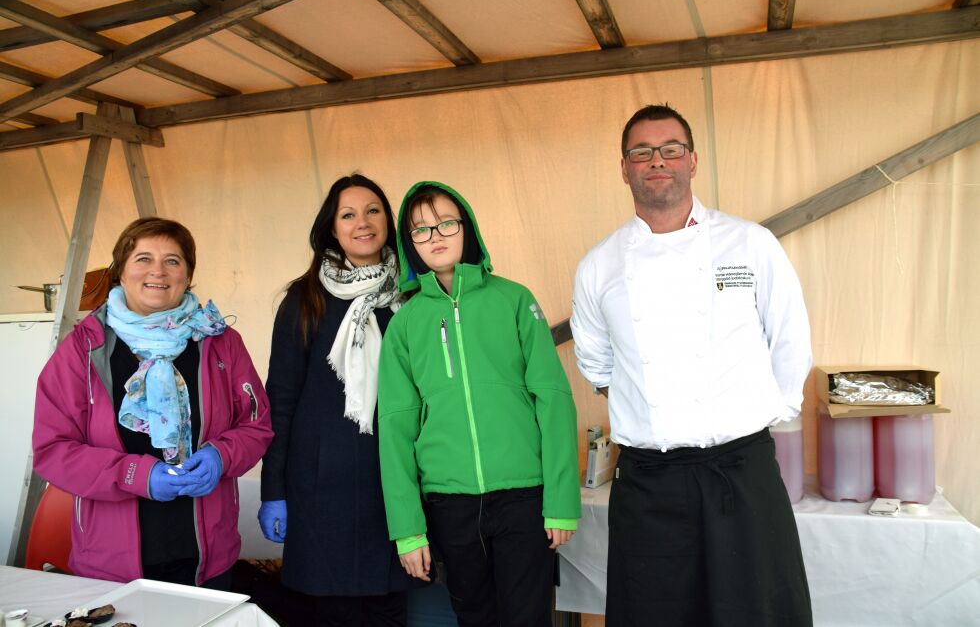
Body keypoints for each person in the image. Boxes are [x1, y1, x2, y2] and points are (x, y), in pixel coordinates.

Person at [570, 104, 813, 626]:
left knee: (757, 613)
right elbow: (596, 361)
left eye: (670, 149)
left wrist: (767, 413)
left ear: (692, 161)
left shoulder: (748, 243)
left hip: (741, 473)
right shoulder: (599, 265)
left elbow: (789, 338)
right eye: (642, 152)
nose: (657, 160)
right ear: (625, 166)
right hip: (649, 481)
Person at [377, 181, 581, 627]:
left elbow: (553, 399)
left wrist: (561, 499)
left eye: (446, 222)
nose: (436, 235)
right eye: (421, 229)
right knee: (474, 618)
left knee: (528, 618)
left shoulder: (514, 299)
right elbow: (395, 430)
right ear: (408, 244)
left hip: (523, 497)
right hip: (450, 504)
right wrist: (408, 531)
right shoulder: (405, 324)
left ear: (467, 227)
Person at [33, 217, 273, 587]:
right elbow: (53, 450)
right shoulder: (82, 349)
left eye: (173, 261)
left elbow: (256, 426)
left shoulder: (221, 342)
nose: (157, 271)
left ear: (188, 275)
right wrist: (134, 474)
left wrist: (220, 456)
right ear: (121, 272)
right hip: (110, 564)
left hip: (207, 559)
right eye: (143, 258)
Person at [258, 174, 419, 626]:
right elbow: (281, 400)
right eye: (348, 214)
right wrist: (274, 491)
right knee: (333, 613)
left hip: (393, 483)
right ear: (332, 227)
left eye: (373, 211)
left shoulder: (411, 296)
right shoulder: (305, 298)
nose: (362, 223)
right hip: (321, 489)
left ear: (389, 220)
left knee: (389, 608)